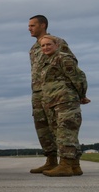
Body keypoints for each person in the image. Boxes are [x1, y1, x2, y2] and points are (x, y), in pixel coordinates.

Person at [28, 15, 78, 174]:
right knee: (43, 128)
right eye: (29, 26)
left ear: (43, 25)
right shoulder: (34, 48)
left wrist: (76, 91)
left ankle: (71, 163)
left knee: (63, 126)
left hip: (57, 92)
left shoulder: (57, 42)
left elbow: (70, 64)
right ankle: (51, 160)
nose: (29, 28)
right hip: (38, 93)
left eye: (33, 25)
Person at [35, 34, 89, 177]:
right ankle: (75, 166)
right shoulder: (47, 61)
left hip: (65, 100)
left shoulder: (63, 58)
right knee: (60, 133)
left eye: (49, 45)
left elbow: (79, 78)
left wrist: (82, 95)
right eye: (43, 46)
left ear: (57, 45)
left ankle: (65, 166)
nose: (45, 48)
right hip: (53, 102)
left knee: (66, 132)